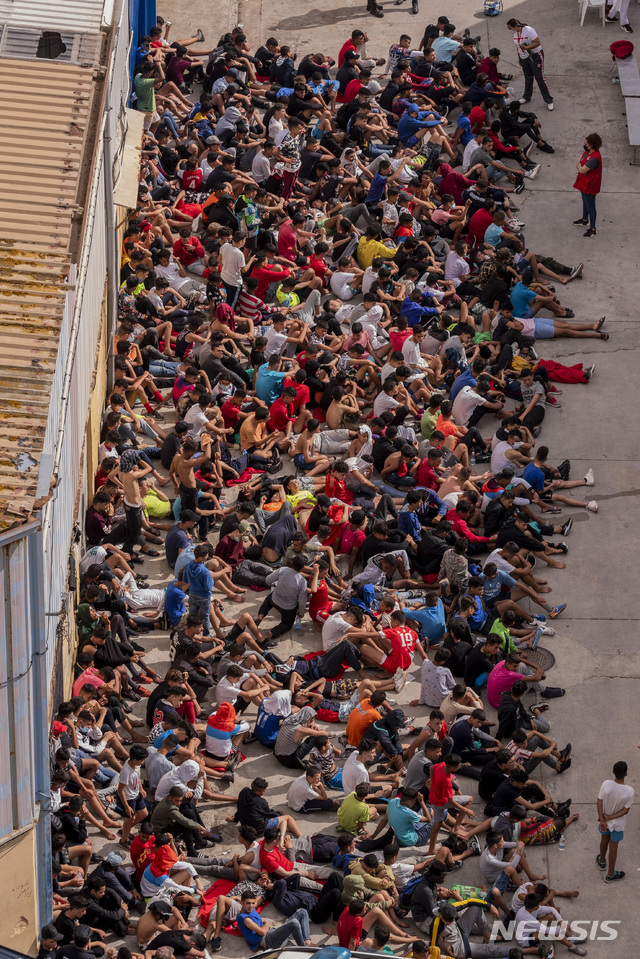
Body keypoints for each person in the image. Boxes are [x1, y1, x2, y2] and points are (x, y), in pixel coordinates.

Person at [597, 760, 634, 883]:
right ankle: (611, 874)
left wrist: (603, 819)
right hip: (617, 824)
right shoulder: (629, 791)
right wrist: (611, 817)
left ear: (613, 772)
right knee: (614, 847)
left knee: (604, 839)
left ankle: (602, 861)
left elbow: (599, 802)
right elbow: (625, 811)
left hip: (604, 822)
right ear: (626, 774)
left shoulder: (606, 784)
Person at [506, 19, 553, 110]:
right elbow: (518, 47)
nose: (510, 30)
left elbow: (537, 42)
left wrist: (527, 47)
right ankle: (527, 96)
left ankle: (549, 100)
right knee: (528, 77)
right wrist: (519, 58)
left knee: (539, 78)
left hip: (535, 56)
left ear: (515, 26)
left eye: (510, 28)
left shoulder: (529, 30)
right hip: (524, 58)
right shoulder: (515, 33)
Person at [572, 132, 602, 238]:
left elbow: (581, 168)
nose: (584, 145)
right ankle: (584, 219)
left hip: (590, 185)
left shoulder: (594, 159)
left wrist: (579, 165)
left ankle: (593, 229)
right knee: (585, 202)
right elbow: (581, 166)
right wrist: (580, 166)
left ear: (592, 145)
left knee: (591, 205)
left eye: (586, 144)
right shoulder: (587, 152)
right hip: (584, 182)